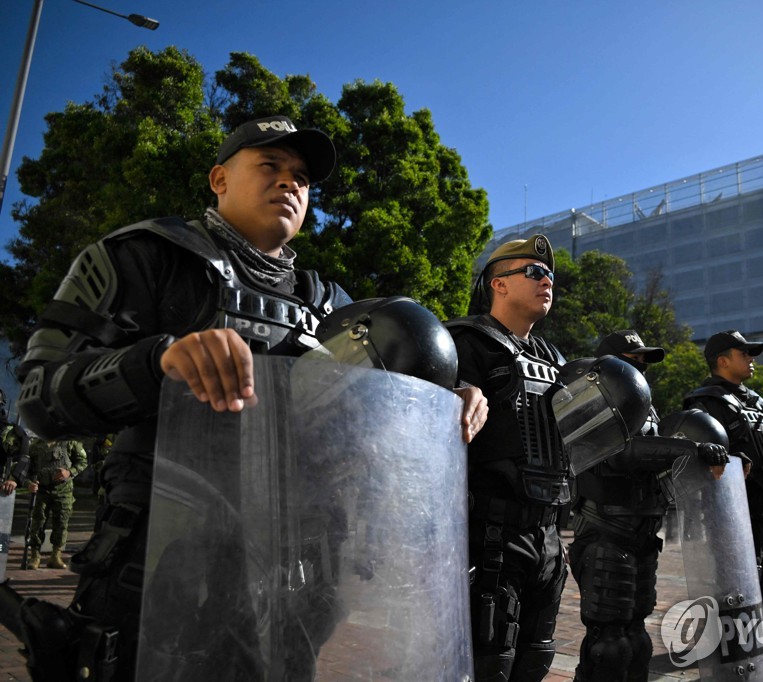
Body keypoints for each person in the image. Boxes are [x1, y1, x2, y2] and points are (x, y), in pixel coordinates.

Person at [13, 115, 487, 681]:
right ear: (219, 178)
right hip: (160, 571)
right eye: (270, 166)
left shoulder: (334, 307)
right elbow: (37, 398)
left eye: (302, 178)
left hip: (295, 588)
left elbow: (365, 437)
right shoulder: (144, 257)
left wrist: (437, 407)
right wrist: (156, 363)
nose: (290, 183)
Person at [568, 330, 729, 682]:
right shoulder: (593, 399)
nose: (640, 366)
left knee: (637, 639)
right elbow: (620, 453)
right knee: (608, 642)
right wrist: (689, 450)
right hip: (605, 532)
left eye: (643, 360)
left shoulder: (644, 407)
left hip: (640, 533)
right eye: (633, 359)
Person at [446, 234, 567, 682]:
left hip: (548, 536)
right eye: (534, 273)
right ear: (498, 283)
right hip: (490, 535)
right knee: (485, 666)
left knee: (535, 662)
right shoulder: (462, 342)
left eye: (550, 276)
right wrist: (452, 390)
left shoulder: (555, 359)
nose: (546, 282)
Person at [683, 330, 763, 606]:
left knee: (762, 588)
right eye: (743, 354)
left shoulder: (756, 401)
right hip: (730, 515)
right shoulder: (704, 402)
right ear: (722, 361)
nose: (751, 359)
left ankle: (754, 646)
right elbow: (695, 458)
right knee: (735, 592)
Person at [24, 438, 88, 570]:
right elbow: (26, 469)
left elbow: (83, 461)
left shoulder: (71, 442)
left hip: (64, 491)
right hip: (42, 490)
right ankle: (35, 556)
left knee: (61, 523)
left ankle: (55, 556)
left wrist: (69, 472)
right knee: (37, 523)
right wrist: (28, 483)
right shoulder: (35, 445)